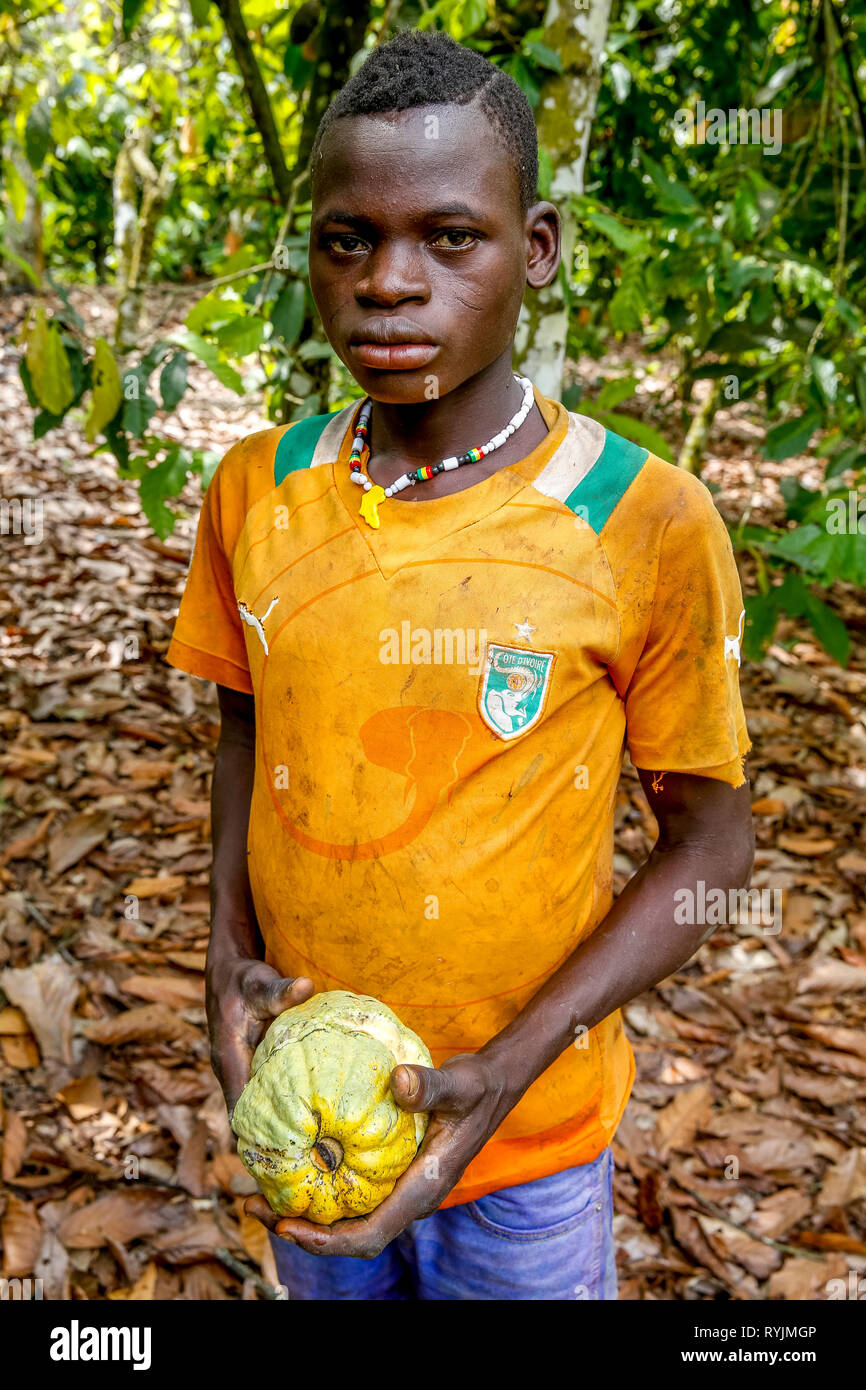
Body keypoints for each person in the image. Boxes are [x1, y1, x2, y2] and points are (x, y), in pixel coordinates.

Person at [167, 29, 753, 1301]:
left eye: (447, 238)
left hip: (527, 1142)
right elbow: (244, 728)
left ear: (532, 250)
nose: (389, 284)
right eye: (347, 240)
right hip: (307, 1112)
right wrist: (222, 953)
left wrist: (512, 1065)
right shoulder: (255, 489)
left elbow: (712, 846)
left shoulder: (641, 517)